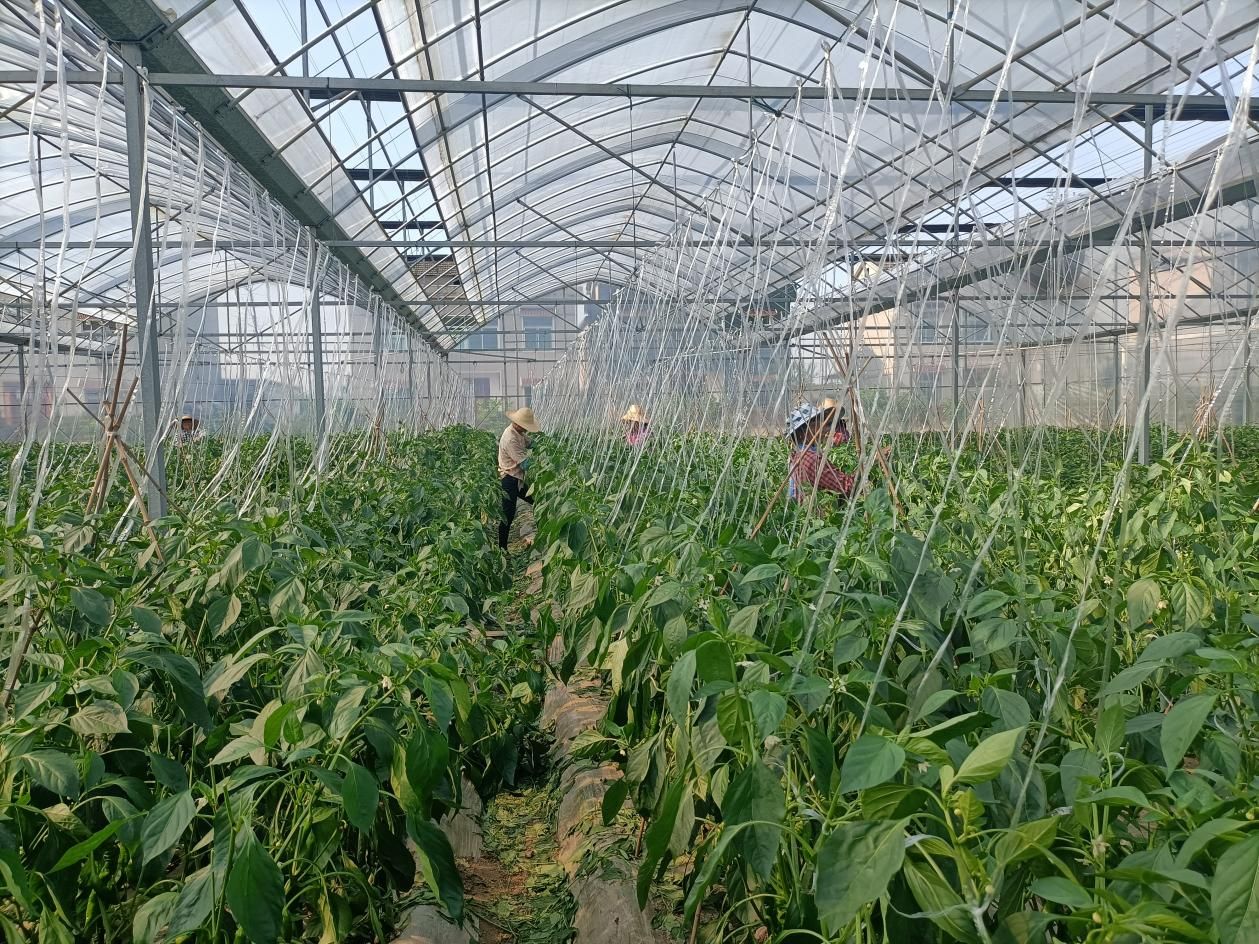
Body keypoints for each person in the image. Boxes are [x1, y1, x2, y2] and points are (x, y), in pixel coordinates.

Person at [785, 403, 854, 506]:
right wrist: (869, 465)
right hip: (812, 513)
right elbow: (847, 487)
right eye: (821, 423)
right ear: (806, 429)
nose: (826, 428)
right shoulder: (811, 459)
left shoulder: (800, 454)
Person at [498, 406, 540, 549]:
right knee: (508, 515)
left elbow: (530, 443)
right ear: (518, 424)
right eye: (525, 426)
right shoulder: (510, 438)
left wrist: (542, 445)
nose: (527, 429)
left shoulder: (518, 432)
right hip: (509, 480)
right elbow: (525, 464)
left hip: (518, 479)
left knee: (537, 501)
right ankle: (502, 549)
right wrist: (543, 464)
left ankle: (543, 533)